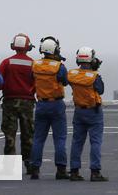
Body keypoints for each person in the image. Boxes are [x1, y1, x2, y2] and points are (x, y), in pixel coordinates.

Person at [29, 36, 69, 180]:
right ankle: (61, 169)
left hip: (41, 104)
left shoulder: (35, 64)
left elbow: (31, 78)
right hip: (56, 104)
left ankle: (35, 168)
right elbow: (65, 81)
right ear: (55, 50)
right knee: (60, 138)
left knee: (38, 138)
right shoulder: (59, 66)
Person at [68, 47, 108, 182]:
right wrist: (94, 69)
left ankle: (74, 171)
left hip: (79, 111)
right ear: (92, 59)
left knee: (77, 142)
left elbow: (69, 81)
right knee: (95, 142)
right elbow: (100, 90)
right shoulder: (95, 76)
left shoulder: (72, 74)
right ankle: (95, 172)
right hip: (93, 111)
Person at [0, 33, 36, 170]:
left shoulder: (6, 62)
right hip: (27, 102)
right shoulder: (32, 63)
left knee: (10, 134)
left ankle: (8, 167)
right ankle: (29, 163)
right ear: (28, 47)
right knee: (28, 134)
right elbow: (37, 82)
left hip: (9, 101)